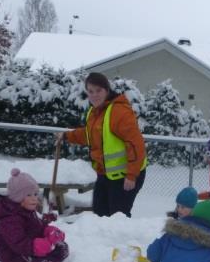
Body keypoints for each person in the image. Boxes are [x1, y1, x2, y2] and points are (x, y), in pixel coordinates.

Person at [57, 72, 147, 217]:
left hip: (126, 175)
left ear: (107, 90)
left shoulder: (119, 111)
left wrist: (131, 175)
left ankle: (121, 240)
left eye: (99, 90)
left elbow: (135, 144)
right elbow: (89, 134)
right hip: (105, 174)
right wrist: (67, 136)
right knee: (99, 213)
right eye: (90, 91)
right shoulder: (95, 111)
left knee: (118, 217)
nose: (94, 95)